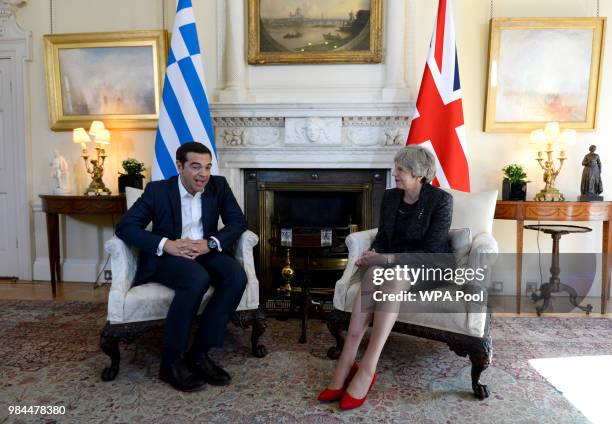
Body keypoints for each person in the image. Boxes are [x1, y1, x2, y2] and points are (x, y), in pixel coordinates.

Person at [318, 145, 453, 409]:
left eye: (400, 170)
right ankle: (346, 361)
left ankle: (368, 367)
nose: (395, 174)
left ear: (419, 175)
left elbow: (431, 251)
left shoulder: (441, 200)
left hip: (428, 267)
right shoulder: (391, 198)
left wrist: (387, 259)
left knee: (392, 276)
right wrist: (374, 253)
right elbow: (383, 237)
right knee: (372, 275)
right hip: (391, 264)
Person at [116, 142, 248, 392]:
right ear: (179, 166)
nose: (204, 174)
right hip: (168, 256)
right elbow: (125, 227)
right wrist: (167, 244)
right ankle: (170, 361)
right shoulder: (157, 191)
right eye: (196, 167)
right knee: (196, 278)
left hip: (204, 249)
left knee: (236, 276)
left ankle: (199, 353)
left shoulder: (218, 186)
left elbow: (238, 222)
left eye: (208, 167)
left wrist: (210, 243)